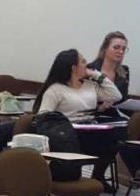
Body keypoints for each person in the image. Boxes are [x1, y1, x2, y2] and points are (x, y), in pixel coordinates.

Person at [35, 49, 123, 184]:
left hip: (91, 129)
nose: (87, 66)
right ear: (73, 68)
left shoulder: (90, 86)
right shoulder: (55, 89)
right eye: (83, 62)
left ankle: (98, 175)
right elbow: (44, 117)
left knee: (115, 138)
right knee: (106, 140)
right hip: (68, 134)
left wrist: (97, 75)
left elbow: (116, 95)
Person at [87, 31, 130, 100]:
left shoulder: (125, 70)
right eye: (116, 47)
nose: (121, 51)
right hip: (97, 110)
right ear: (105, 48)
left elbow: (124, 97)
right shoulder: (91, 69)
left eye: (123, 49)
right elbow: (87, 98)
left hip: (118, 110)